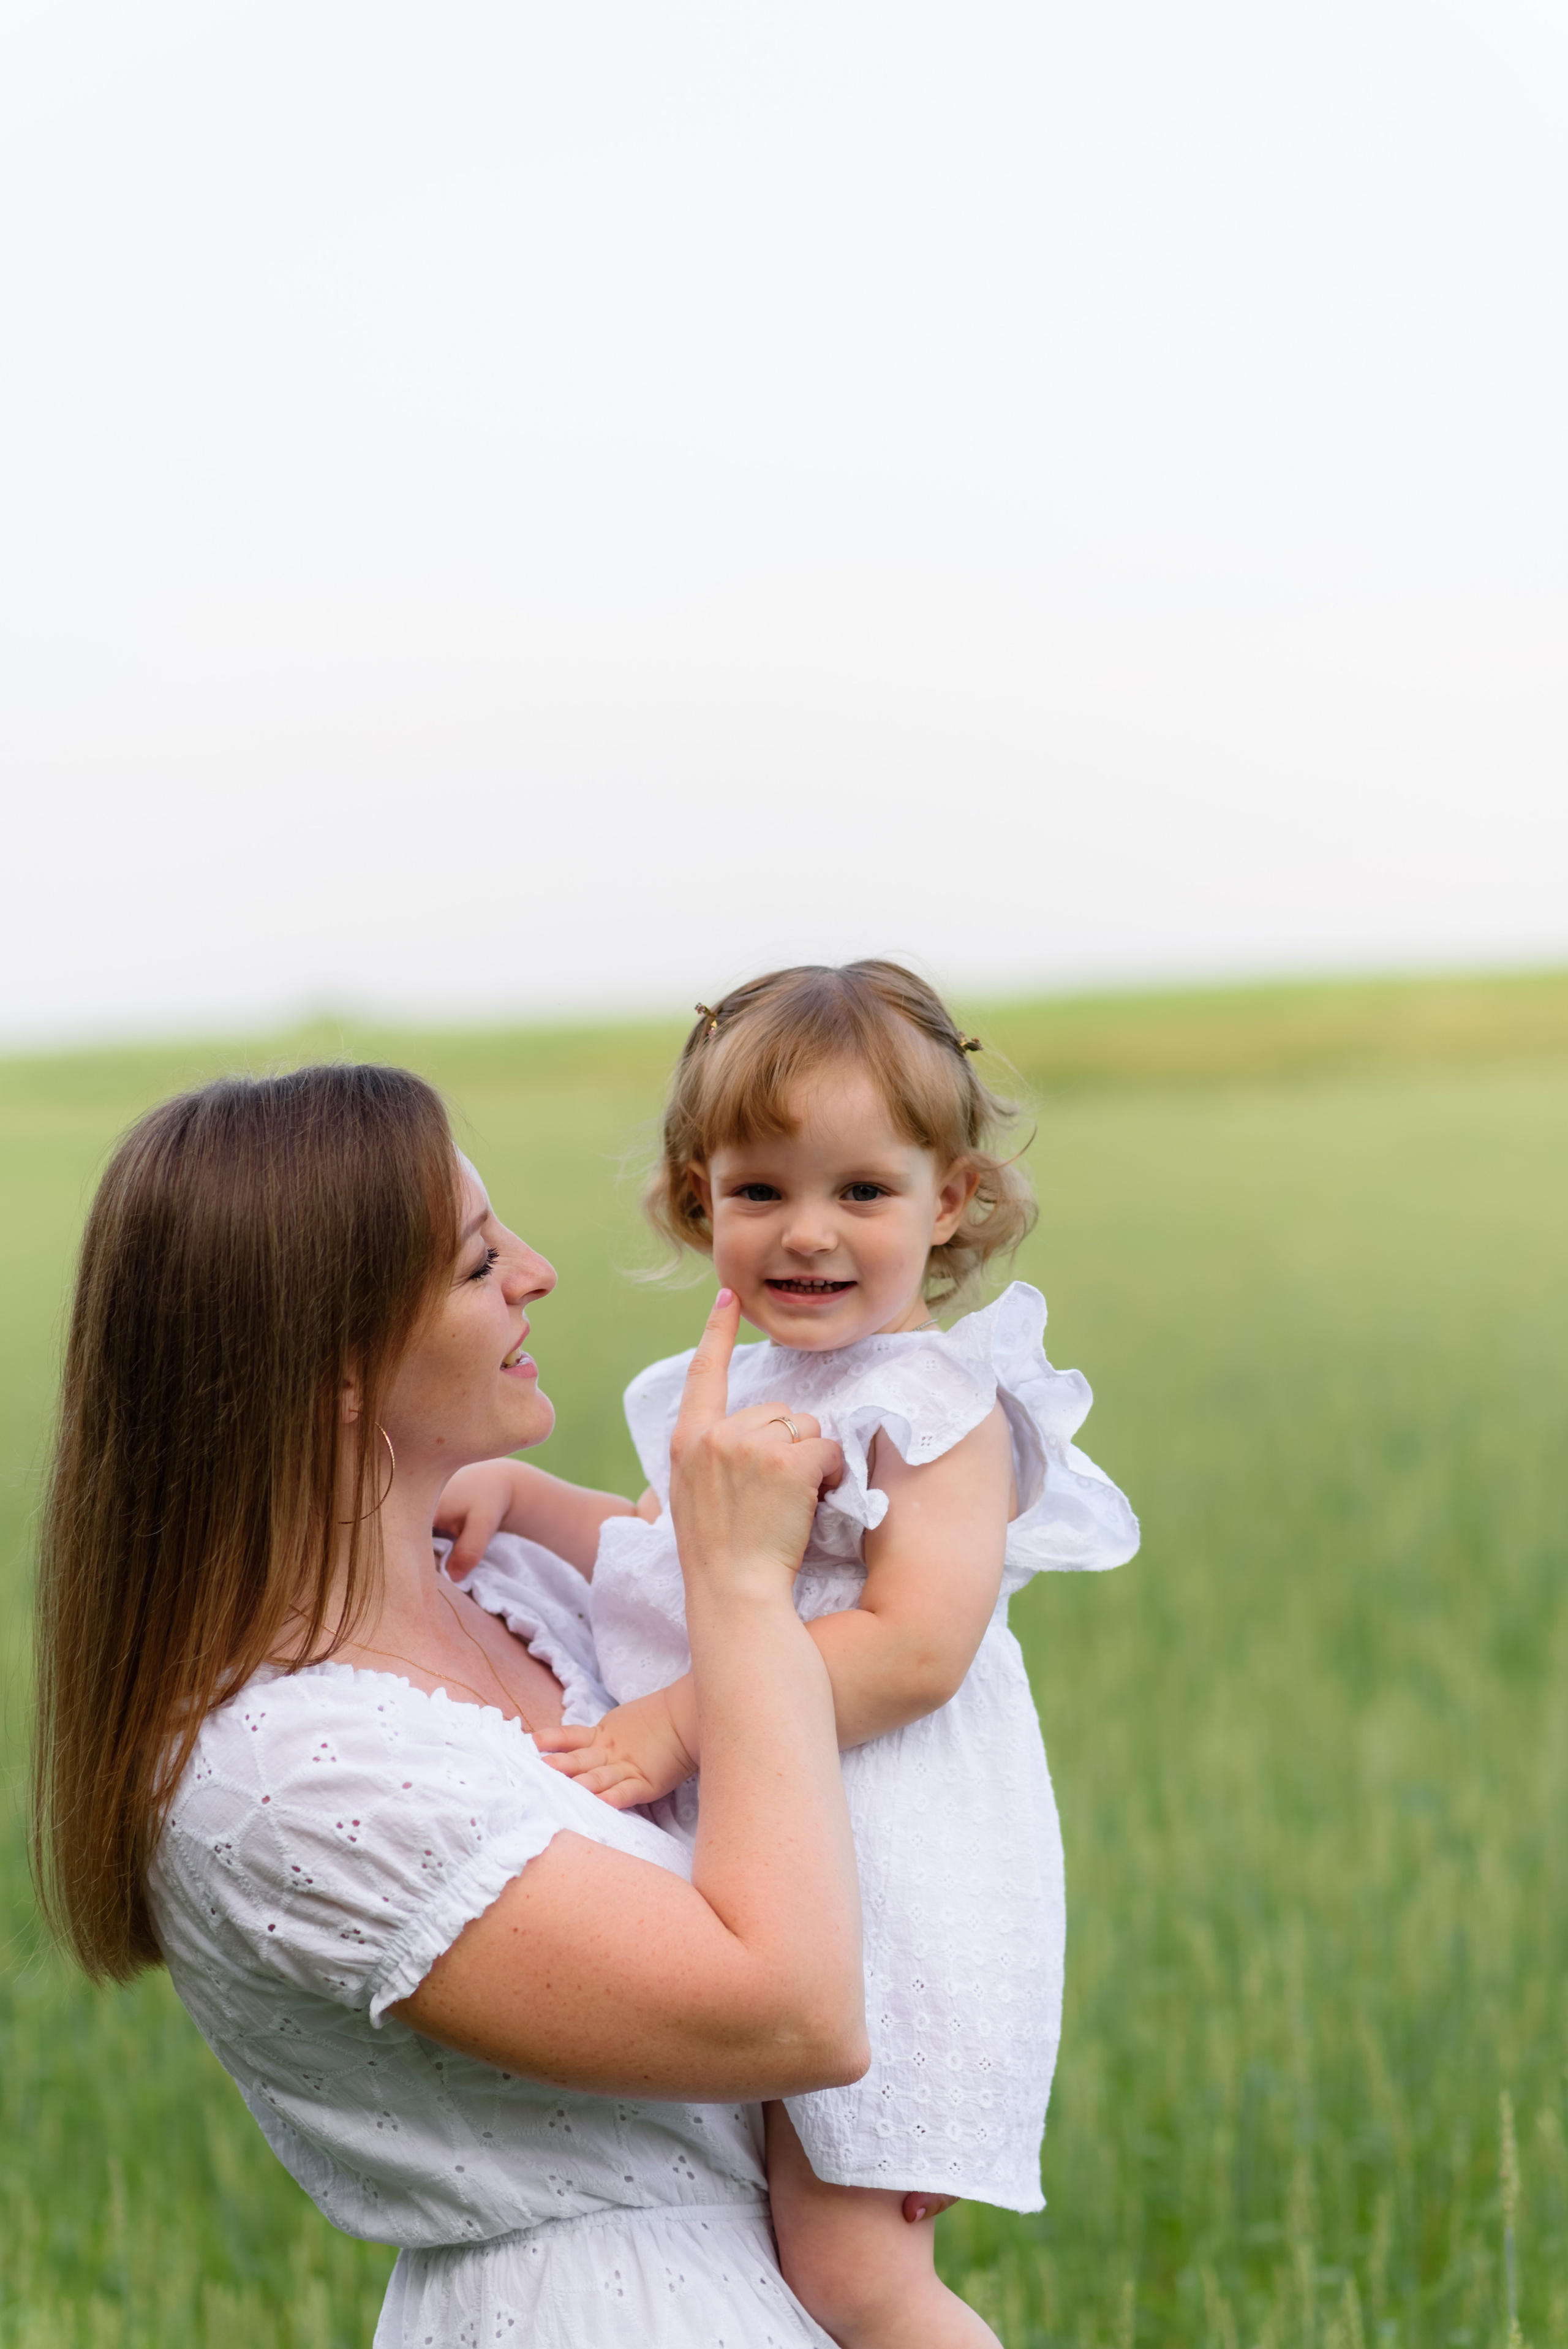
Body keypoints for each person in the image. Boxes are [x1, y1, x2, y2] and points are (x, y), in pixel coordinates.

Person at [30, 1062, 872, 2349]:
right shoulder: (286, 1774)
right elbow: (792, 2010)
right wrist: (740, 1586)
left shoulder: (515, 1579)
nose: (536, 1273)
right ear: (340, 1370)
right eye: (479, 1266)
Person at [439, 961, 1142, 2349]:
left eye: (859, 1193)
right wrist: (524, 1499)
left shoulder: (933, 1405)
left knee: (854, 2281)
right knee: (755, 2248)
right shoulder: (743, 1387)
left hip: (890, 1883)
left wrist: (682, 1723)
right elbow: (670, 1553)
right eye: (759, 1193)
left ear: (949, 1201)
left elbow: (915, 1648)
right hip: (777, 1858)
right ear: (699, 1197)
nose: (805, 1234)